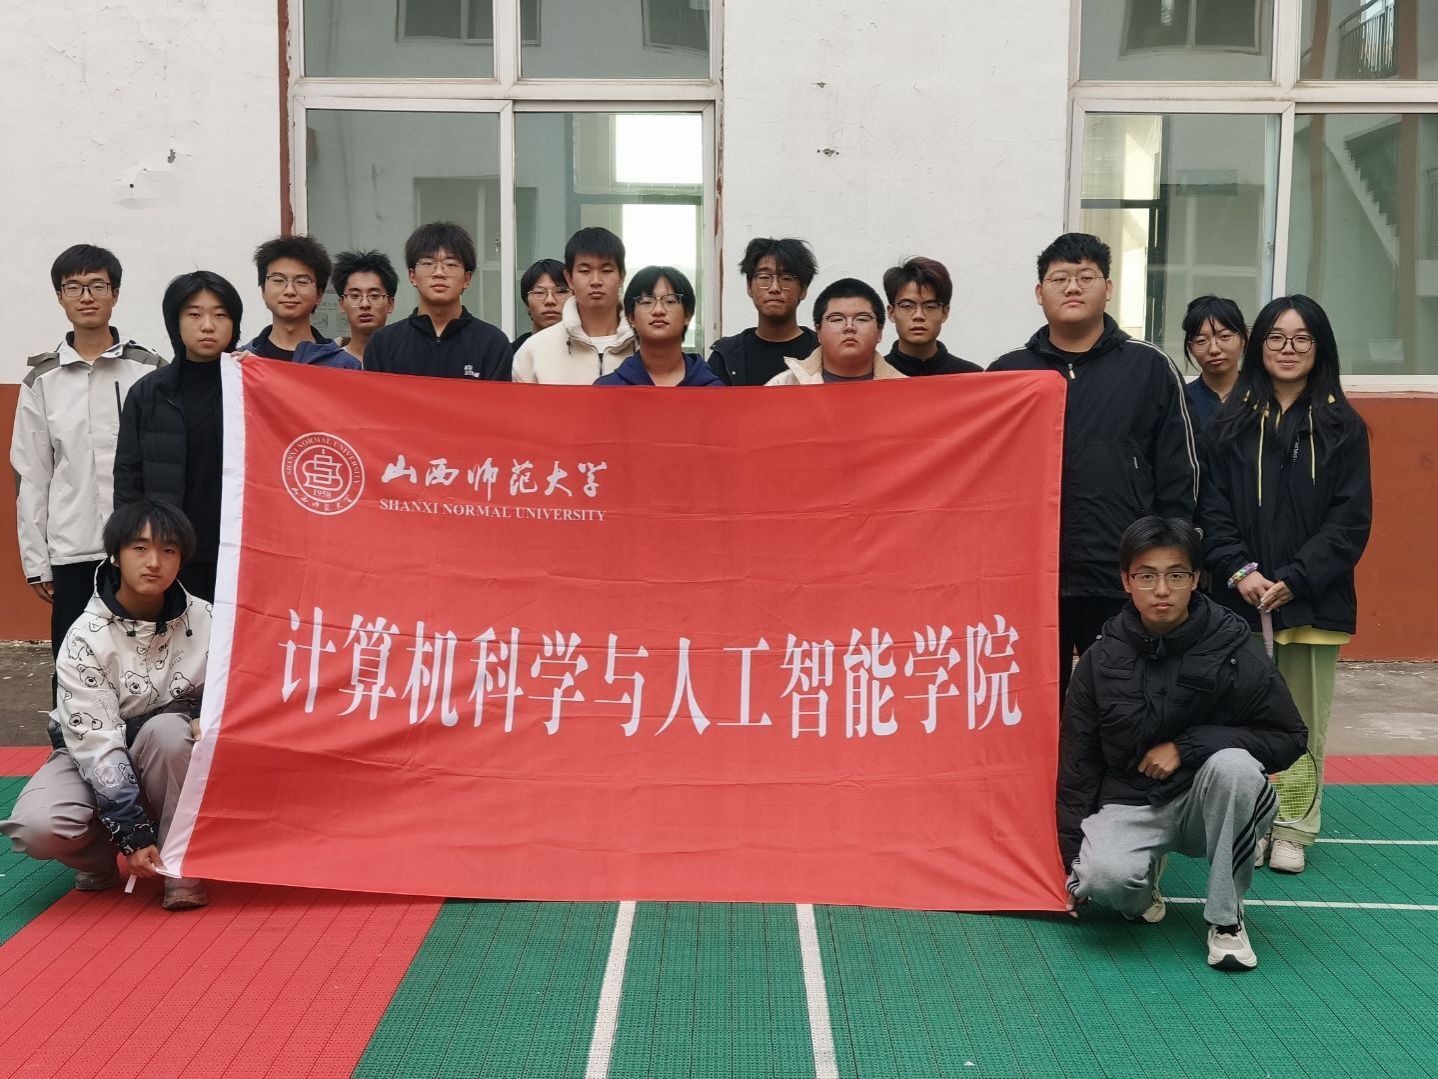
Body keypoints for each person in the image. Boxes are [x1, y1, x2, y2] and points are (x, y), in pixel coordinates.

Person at [1059, 516, 1306, 971]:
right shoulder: (1101, 657)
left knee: (1234, 766)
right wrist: (1071, 860)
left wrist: (1188, 748)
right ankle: (1141, 886)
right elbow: (1079, 762)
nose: (1162, 590)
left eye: (1175, 576)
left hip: (1206, 804)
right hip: (1131, 802)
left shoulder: (1233, 648)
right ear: (1126, 581)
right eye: (1146, 576)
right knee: (1102, 880)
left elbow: (1289, 737)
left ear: (1195, 580)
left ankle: (1227, 921)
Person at [1198, 295, 1371, 875]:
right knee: (1238, 718)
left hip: (1314, 604)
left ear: (1320, 348)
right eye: (1276, 337)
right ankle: (1247, 819)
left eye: (1302, 339)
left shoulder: (1344, 427)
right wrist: (1240, 572)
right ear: (1259, 346)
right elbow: (1211, 509)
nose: (1288, 349)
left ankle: (1294, 826)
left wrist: (1295, 580)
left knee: (1302, 723)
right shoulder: (1229, 424)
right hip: (1239, 602)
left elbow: (1350, 522)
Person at [990, 233, 1197, 702]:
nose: (1072, 287)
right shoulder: (1008, 373)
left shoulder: (1149, 367)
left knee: (1126, 698)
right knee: (1035, 701)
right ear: (1039, 292)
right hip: (1033, 577)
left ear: (1109, 287)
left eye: (1085, 276)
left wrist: (1169, 560)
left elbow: (1180, 472)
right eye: (1059, 278)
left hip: (1121, 574)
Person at [0, 500, 214, 910]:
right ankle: (99, 855)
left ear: (181, 559)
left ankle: (180, 860)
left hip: (168, 760)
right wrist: (131, 834)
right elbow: (97, 748)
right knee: (37, 827)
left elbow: (237, 688)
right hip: (89, 755)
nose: (154, 562)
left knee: (170, 730)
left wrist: (205, 715)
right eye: (140, 548)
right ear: (115, 555)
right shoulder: (85, 636)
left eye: (168, 550)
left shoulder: (208, 620)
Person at [12, 244, 164, 680]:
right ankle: (69, 725)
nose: (86, 296)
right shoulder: (43, 380)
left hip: (141, 543)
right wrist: (37, 562)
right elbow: (31, 475)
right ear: (60, 297)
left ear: (115, 293)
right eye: (73, 287)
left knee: (145, 659)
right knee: (75, 661)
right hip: (72, 546)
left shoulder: (148, 369)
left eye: (98, 285)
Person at [114, 271, 244, 603]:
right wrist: (131, 546)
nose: (208, 326)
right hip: (169, 550)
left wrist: (258, 375)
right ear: (176, 322)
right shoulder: (148, 393)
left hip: (237, 550)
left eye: (220, 315)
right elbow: (128, 476)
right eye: (194, 314)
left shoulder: (250, 388)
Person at [363, 221, 512, 381]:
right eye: (428, 263)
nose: (439, 273)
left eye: (450, 264)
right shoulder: (383, 343)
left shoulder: (493, 343)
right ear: (412, 276)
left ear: (467, 278)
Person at [513, 227, 635, 384]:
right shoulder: (535, 350)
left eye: (606, 270)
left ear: (622, 277)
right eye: (584, 271)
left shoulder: (645, 345)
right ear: (569, 278)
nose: (596, 281)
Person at [707, 238, 820, 386]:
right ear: (749, 287)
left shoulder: (823, 351)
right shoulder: (725, 356)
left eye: (786, 278)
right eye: (764, 277)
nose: (774, 288)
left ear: (803, 290)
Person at [595, 266, 723, 387]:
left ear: (687, 315)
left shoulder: (714, 391)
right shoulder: (607, 389)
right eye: (646, 302)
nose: (658, 310)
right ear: (631, 317)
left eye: (670, 301)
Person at [766, 278, 905, 385]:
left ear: (879, 332)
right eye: (837, 319)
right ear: (818, 331)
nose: (849, 327)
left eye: (862, 319)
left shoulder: (904, 389)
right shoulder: (782, 386)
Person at [294, 249, 398, 369]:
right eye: (355, 296)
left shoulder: (406, 362)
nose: (364, 304)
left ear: (390, 304)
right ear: (342, 304)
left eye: (374, 296)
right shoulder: (323, 363)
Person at [882, 257, 981, 376]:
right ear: (891, 312)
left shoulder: (972, 376)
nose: (918, 316)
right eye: (907, 306)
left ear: (944, 313)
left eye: (930, 306)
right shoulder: (874, 377)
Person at [239, 234, 332, 361]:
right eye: (278, 280)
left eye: (302, 281)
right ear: (263, 291)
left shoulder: (343, 365)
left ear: (319, 295)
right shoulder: (239, 362)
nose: (289, 291)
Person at [1182, 295, 1246, 430]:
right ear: (1190, 348)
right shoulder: (1180, 401)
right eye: (1201, 341)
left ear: (1243, 339)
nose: (1214, 349)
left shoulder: (1262, 397)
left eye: (1225, 336)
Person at [513, 258, 569, 352]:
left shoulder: (589, 352)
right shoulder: (510, 355)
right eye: (539, 292)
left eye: (560, 291)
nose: (550, 300)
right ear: (527, 304)